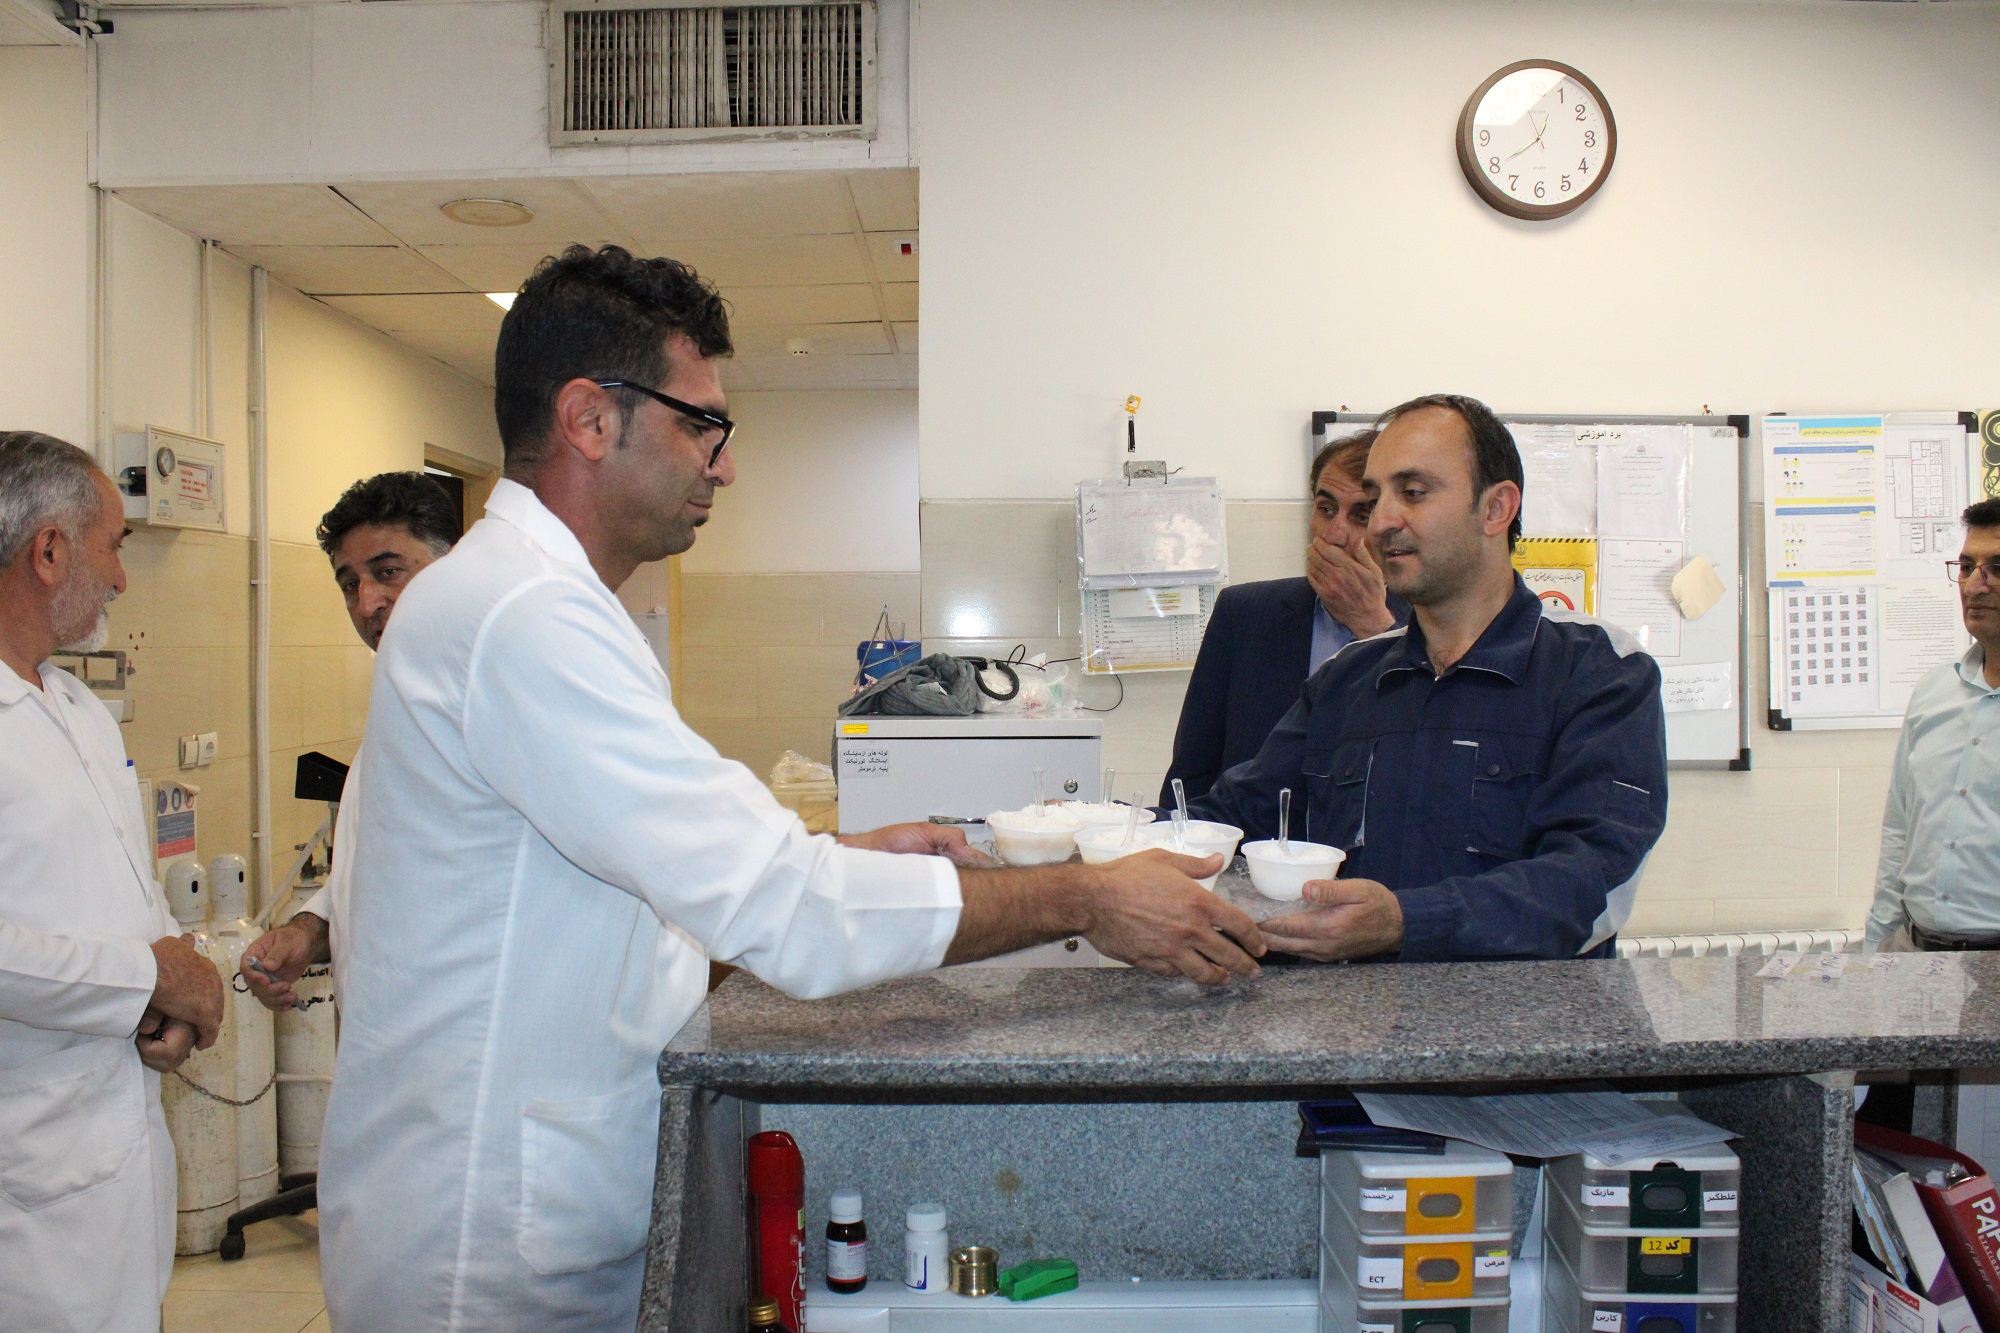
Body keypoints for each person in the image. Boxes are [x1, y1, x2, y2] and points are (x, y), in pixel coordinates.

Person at [317, 245, 1265, 1331]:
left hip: (524, 1196)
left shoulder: (532, 602)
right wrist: (1085, 898)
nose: (722, 466)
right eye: (701, 425)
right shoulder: (520, 616)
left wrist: (844, 854)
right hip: (481, 1243)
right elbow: (783, 911)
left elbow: (655, 861)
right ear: (590, 419)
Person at [1189, 393, 1669, 963]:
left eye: (1413, 493)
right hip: (1356, 1016)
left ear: (1495, 509)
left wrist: (1406, 922)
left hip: (1525, 1019)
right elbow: (1230, 818)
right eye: (1375, 499)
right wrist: (1110, 849)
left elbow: (1588, 885)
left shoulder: (1600, 671)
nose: (1382, 522)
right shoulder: (1347, 679)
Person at [0, 431, 226, 1332]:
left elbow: (122, 901)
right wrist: (149, 978)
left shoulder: (77, 709)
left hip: (119, 1148)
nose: (122, 578)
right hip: (29, 1181)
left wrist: (165, 1000)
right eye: (115, 546)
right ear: (50, 550)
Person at [238, 471, 461, 1009]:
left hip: (465, 1036)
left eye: (388, 572)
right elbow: (385, 873)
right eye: (349, 583)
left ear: (454, 565)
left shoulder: (498, 697)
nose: (366, 603)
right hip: (389, 1029)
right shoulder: (401, 701)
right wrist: (310, 929)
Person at [1162, 428, 1406, 803]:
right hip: (1255, 836)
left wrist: (1372, 625)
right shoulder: (1244, 613)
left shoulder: (1432, 626)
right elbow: (1190, 776)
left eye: (1361, 515)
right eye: (1325, 509)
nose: (1335, 534)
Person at [1866, 498, 2000, 951]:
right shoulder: (1934, 692)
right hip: (1916, 952)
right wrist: (1878, 946)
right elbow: (1900, 828)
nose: (1974, 585)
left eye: (1997, 568)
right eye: (1966, 567)